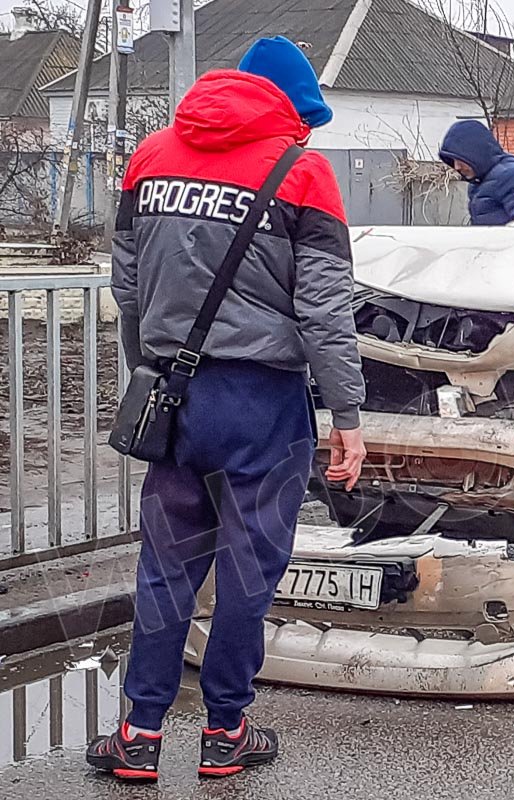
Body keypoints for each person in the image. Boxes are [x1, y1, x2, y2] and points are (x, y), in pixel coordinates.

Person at [86, 36, 367, 782]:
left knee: (165, 566)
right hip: (263, 404)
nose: (306, 135)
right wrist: (347, 415)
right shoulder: (302, 173)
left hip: (176, 396)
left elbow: (127, 287)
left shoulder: (150, 157)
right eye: (306, 120)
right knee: (247, 569)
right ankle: (225, 732)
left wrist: (152, 370)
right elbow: (325, 312)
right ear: (289, 108)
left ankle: (139, 735)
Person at [439, 119, 514, 225]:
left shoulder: (512, 176)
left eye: (460, 160)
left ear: (474, 154)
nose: (457, 167)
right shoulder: (479, 181)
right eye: (453, 161)